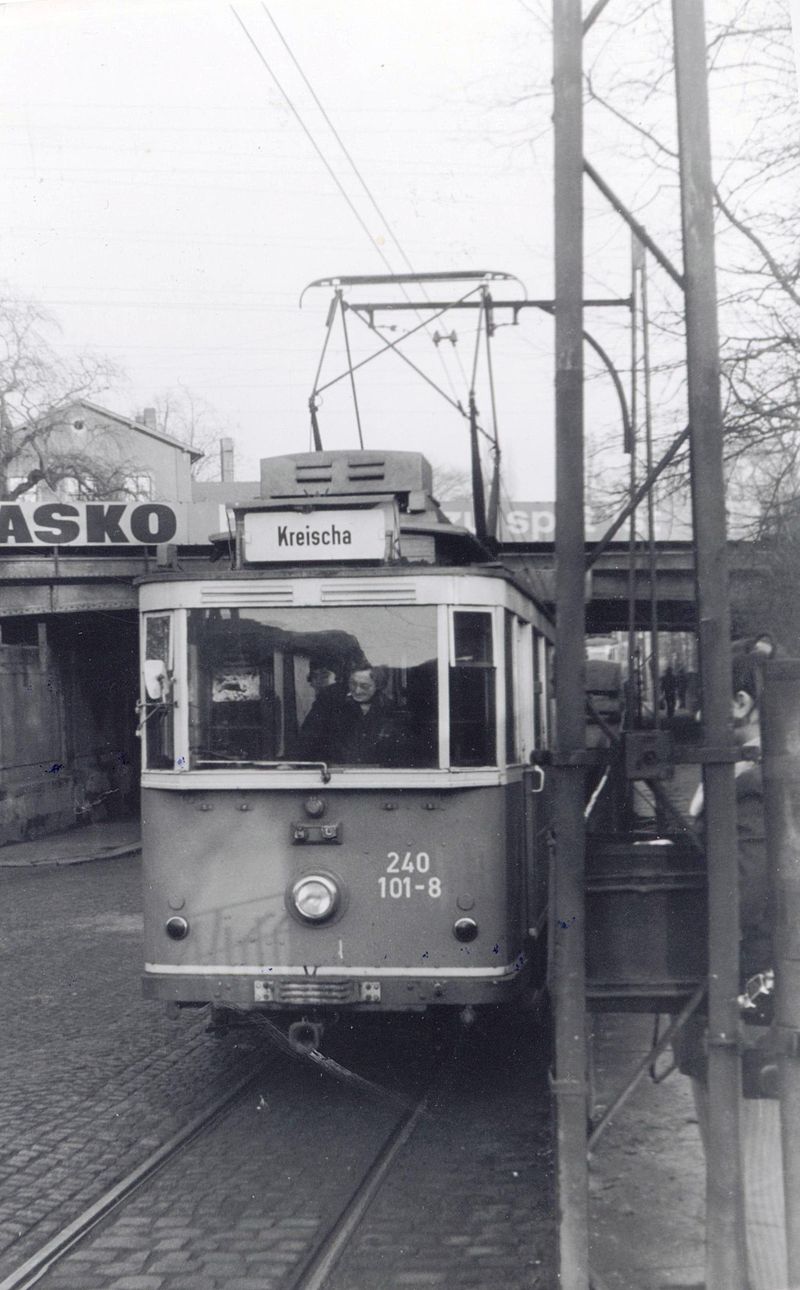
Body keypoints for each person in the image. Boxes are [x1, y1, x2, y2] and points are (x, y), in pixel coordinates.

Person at [676, 644, 786, 1290]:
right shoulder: (761, 778)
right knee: (734, 1180)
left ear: (741, 704)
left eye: (704, 706)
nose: (695, 720)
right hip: (742, 1007)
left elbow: (741, 898)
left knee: (757, 1185)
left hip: (749, 1013)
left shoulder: (753, 790)